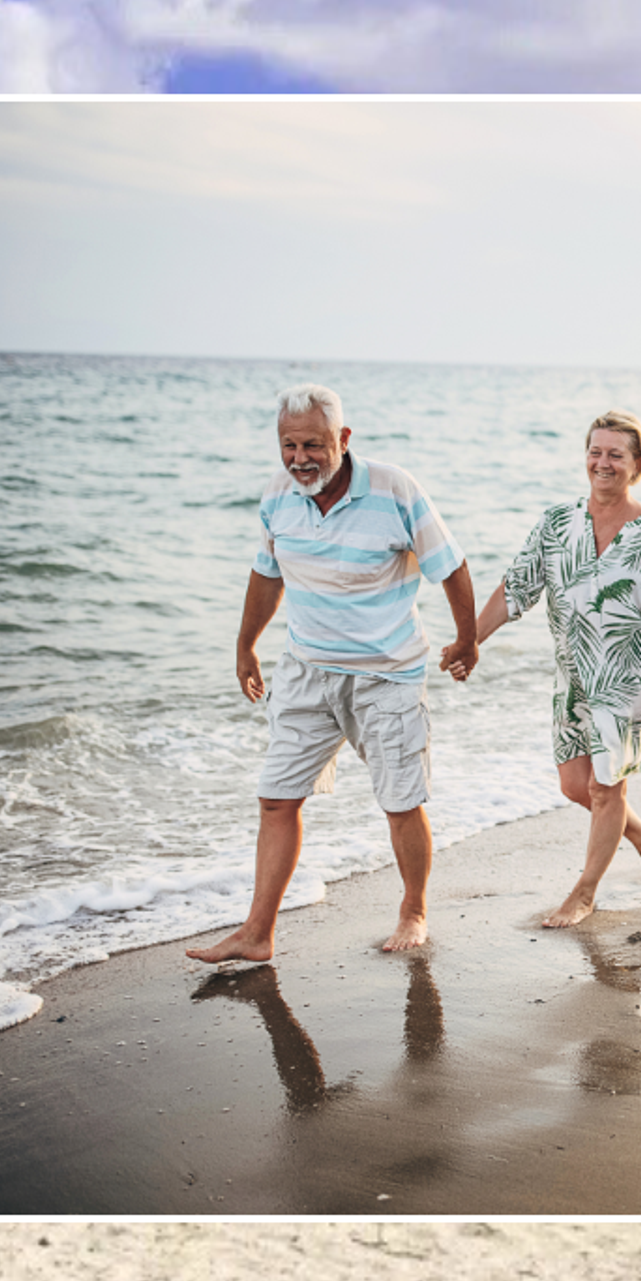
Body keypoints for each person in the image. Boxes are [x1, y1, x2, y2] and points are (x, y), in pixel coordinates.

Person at [188, 384, 478, 966]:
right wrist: (245, 645)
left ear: (343, 440)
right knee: (275, 797)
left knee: (399, 802)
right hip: (306, 672)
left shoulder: (395, 489)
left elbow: (451, 565)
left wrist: (467, 638)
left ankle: (414, 911)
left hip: (386, 675)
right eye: (289, 446)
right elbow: (266, 574)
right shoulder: (278, 495)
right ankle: (257, 933)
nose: (300, 459)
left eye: (314, 445)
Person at [462, 410, 641, 928]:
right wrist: (469, 642)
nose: (602, 462)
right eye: (595, 451)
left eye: (615, 454)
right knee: (575, 786)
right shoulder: (556, 523)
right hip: (573, 677)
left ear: (637, 464)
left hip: (628, 678)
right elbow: (515, 588)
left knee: (606, 788)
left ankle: (585, 893)